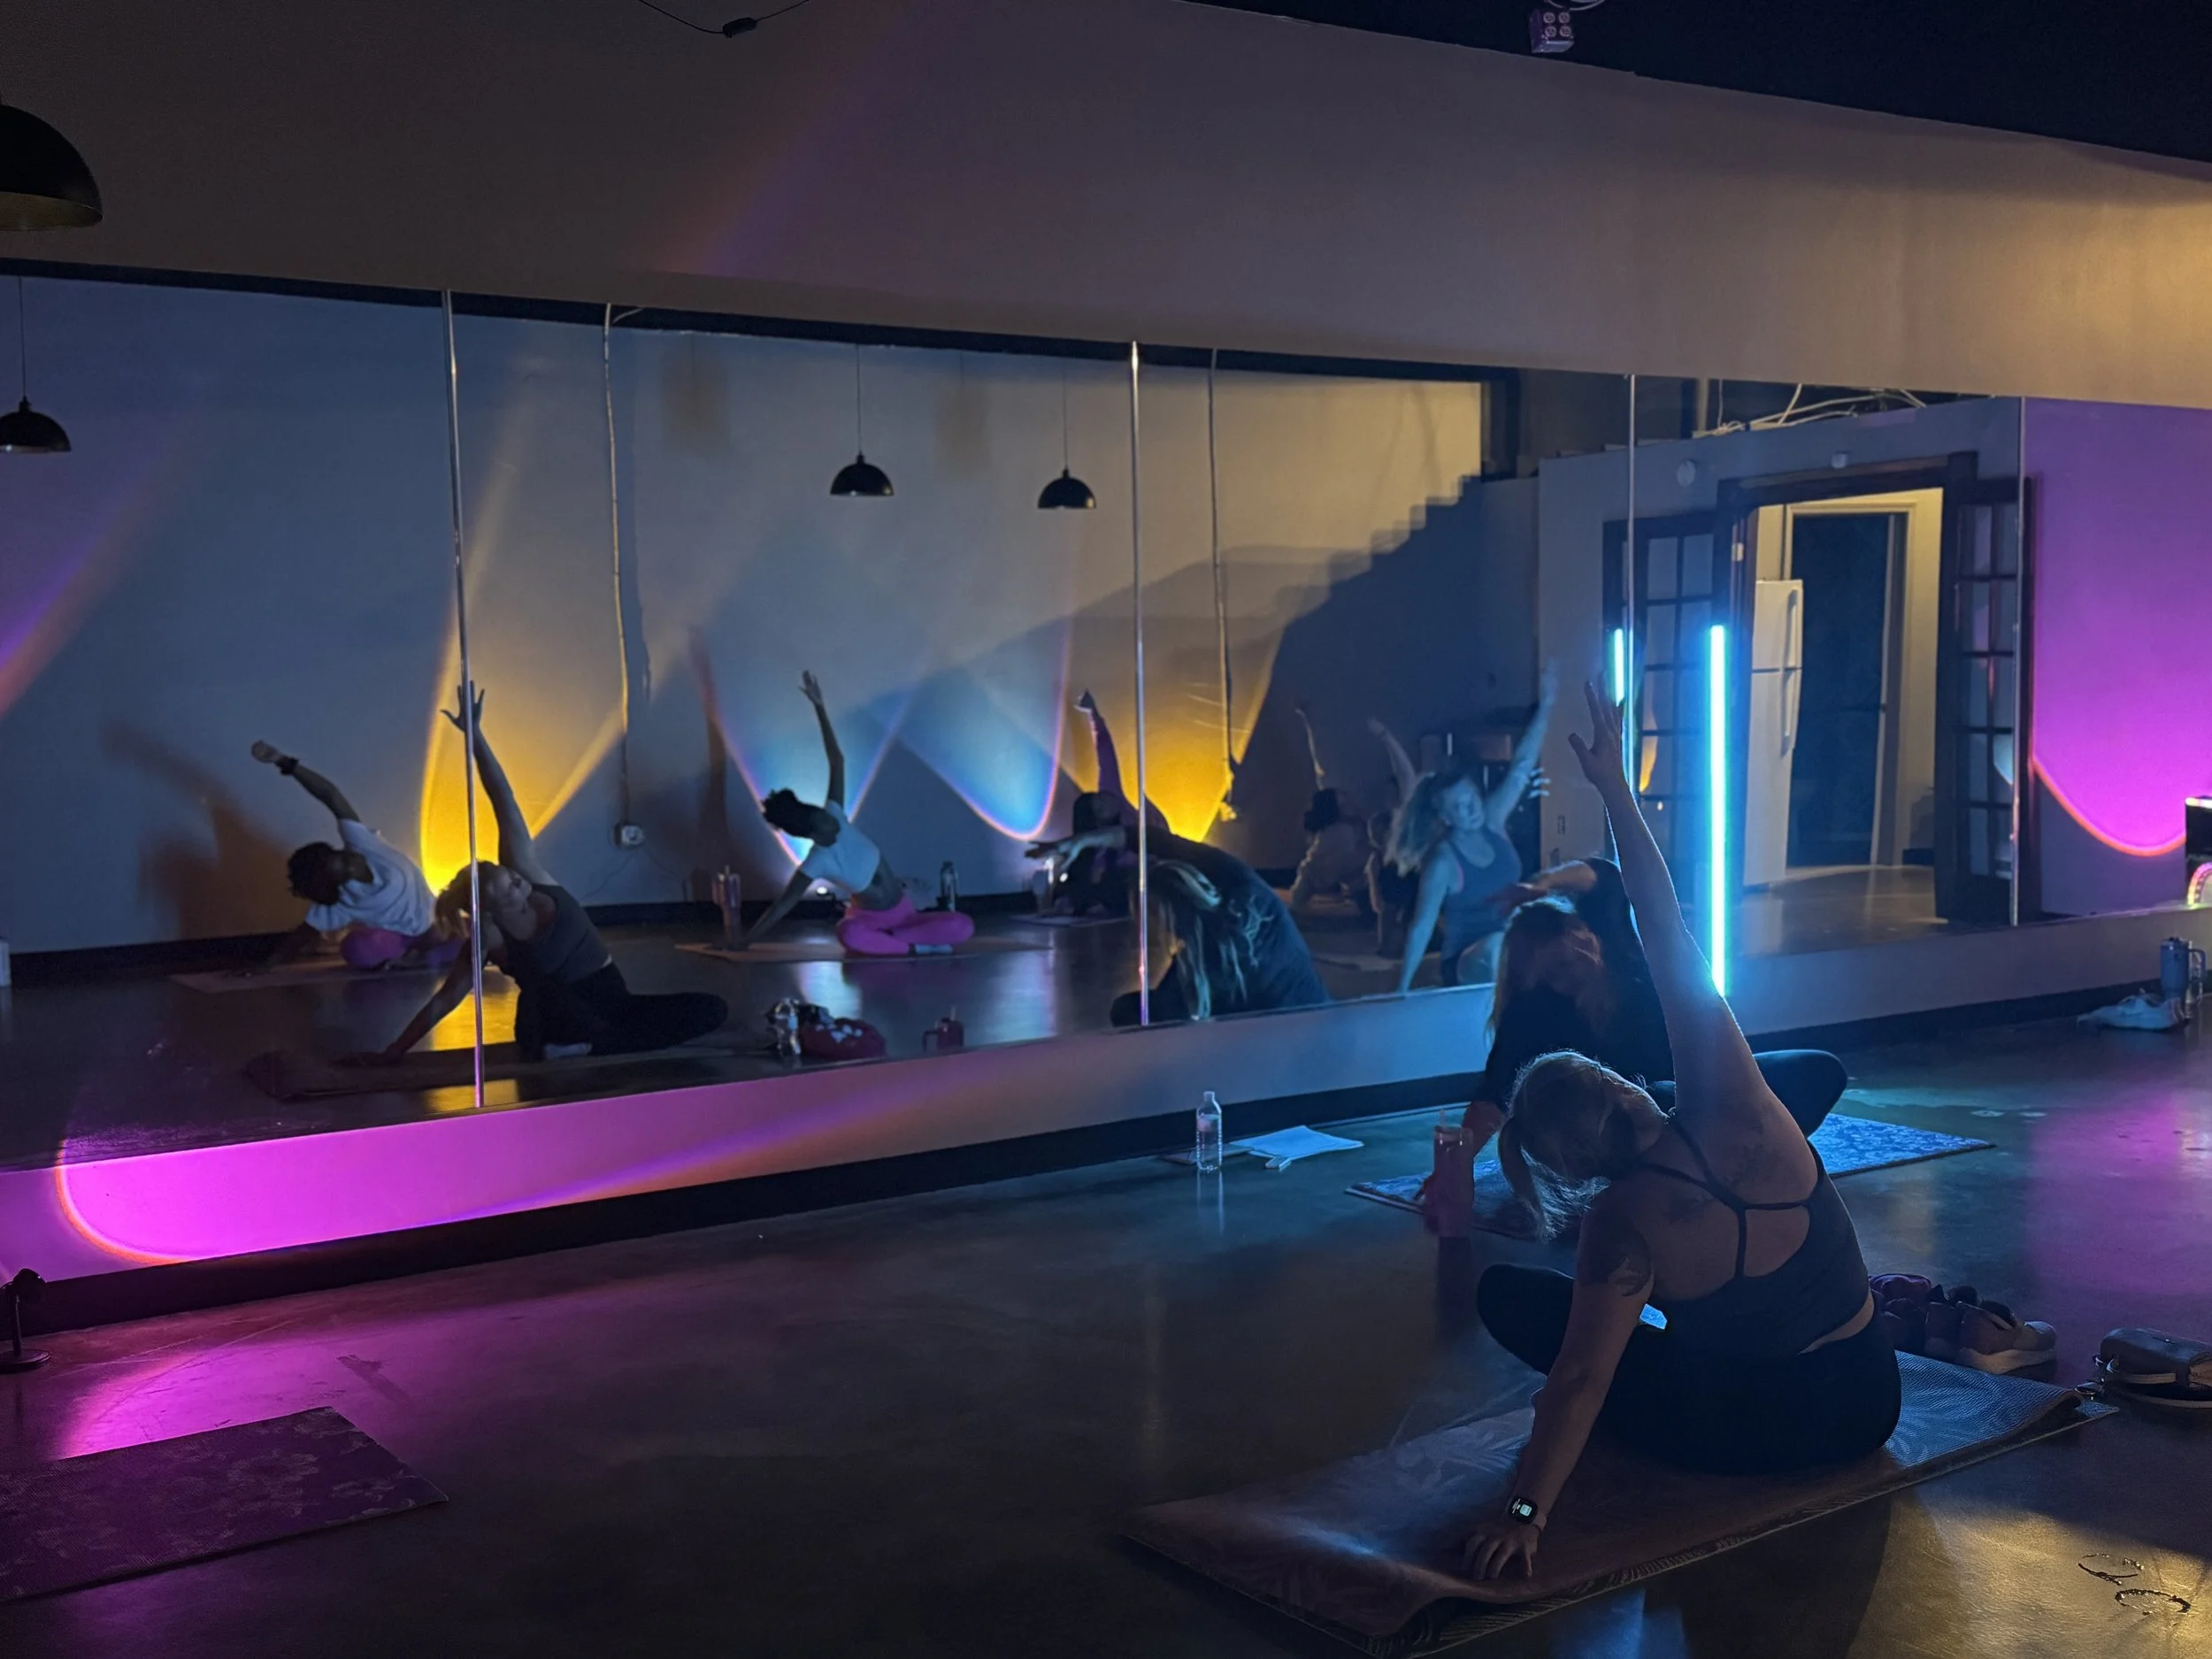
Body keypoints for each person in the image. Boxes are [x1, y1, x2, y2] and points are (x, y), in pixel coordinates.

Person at [1461, 684, 1899, 1582]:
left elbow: (1578, 1383)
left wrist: (1522, 1514)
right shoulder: (1737, 1102)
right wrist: (1613, 786)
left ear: (1569, 1164)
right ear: (1622, 1085)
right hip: (1870, 1397)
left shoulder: (1615, 1223)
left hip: (1756, 1435)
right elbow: (1663, 929)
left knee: (1518, 1304)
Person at [368, 688, 727, 1063]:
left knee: (712, 1009)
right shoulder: (489, 936)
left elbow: (502, 798)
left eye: (504, 871)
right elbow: (448, 996)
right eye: (503, 883)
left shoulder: (528, 872)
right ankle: (587, 1045)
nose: (512, 877)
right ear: (488, 907)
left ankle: (592, 1048)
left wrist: (475, 737)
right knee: (548, 991)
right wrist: (394, 1052)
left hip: (613, 1001)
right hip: (554, 1019)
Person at [1449, 862, 1848, 1164]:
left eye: (1582, 946)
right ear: (1537, 978)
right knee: (1644, 1101)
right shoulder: (1534, 1010)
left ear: (1587, 932)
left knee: (1820, 1070)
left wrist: (1542, 885)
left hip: (1688, 1096)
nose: (1582, 964)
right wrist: (1455, 1167)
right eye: (1561, 969)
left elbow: (1604, 874)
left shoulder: (1621, 954)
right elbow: (1493, 1095)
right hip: (1616, 1121)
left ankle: (1714, 1154)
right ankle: (1703, 1156)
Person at [740, 672, 977, 957]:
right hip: (868, 920)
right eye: (823, 821)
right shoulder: (818, 861)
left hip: (904, 915)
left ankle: (898, 942)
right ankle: (913, 947)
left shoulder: (836, 815)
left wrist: (819, 706)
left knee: (962, 926)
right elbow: (781, 905)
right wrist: (745, 941)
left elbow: (837, 760)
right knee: (848, 933)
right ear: (814, 835)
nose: (830, 819)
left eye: (823, 813)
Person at [1029, 820, 1328, 1025]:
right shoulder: (1240, 885)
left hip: (1284, 1048)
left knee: (1128, 1010)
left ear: (1170, 916)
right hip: (1317, 1020)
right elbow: (1152, 839)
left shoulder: (1209, 954)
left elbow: (1161, 1013)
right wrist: (1082, 841)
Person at [1392, 664, 1559, 993]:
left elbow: (1521, 766)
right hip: (1467, 959)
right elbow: (1422, 925)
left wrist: (1549, 702)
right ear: (1447, 817)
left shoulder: (1493, 819)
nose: (1471, 810)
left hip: (1512, 946)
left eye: (1472, 799)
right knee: (1500, 947)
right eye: (1460, 807)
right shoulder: (1443, 862)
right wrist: (1401, 990)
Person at [248, 741, 455, 973]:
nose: (354, 863)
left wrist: (285, 762)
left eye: (344, 856)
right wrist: (265, 966)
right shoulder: (342, 903)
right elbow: (301, 936)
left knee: (476, 934)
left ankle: (428, 956)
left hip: (439, 924)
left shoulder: (362, 843)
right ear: (339, 882)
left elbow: (330, 795)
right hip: (400, 941)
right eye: (346, 870)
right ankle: (419, 957)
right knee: (356, 949)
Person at [1047, 689, 1169, 918]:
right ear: (1098, 821)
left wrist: (1094, 714)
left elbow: (1105, 754)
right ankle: (1075, 903)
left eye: (1100, 798)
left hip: (1145, 874)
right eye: (1099, 807)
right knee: (1092, 877)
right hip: (1116, 881)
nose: (1104, 801)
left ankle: (1097, 903)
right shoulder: (1101, 843)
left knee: (1123, 877)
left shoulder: (1116, 798)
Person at [1286, 703, 1373, 916]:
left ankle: (1369, 911)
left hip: (1351, 870)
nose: (1348, 804)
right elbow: (1319, 752)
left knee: (1356, 881)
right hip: (1332, 867)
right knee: (1309, 879)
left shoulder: (1353, 823)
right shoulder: (1336, 832)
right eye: (1343, 803)